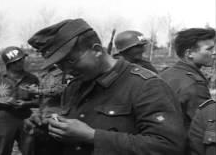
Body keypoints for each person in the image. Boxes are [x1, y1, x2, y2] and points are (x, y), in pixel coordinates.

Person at [25, 18, 185, 155]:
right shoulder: (74, 87)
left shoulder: (146, 86)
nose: (66, 71)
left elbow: (168, 147)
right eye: (60, 65)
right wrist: (48, 129)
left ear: (96, 50)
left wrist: (93, 136)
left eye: (70, 61)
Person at [0, 46, 40, 155]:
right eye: (18, 61)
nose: (22, 62)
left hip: (25, 118)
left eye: (22, 59)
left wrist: (27, 103)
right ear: (10, 63)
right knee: (1, 151)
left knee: (30, 150)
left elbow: (40, 100)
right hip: (3, 120)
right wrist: (0, 100)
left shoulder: (32, 78)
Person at [159, 28, 216, 130]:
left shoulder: (165, 73)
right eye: (209, 49)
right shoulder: (195, 85)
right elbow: (208, 126)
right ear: (189, 53)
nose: (214, 52)